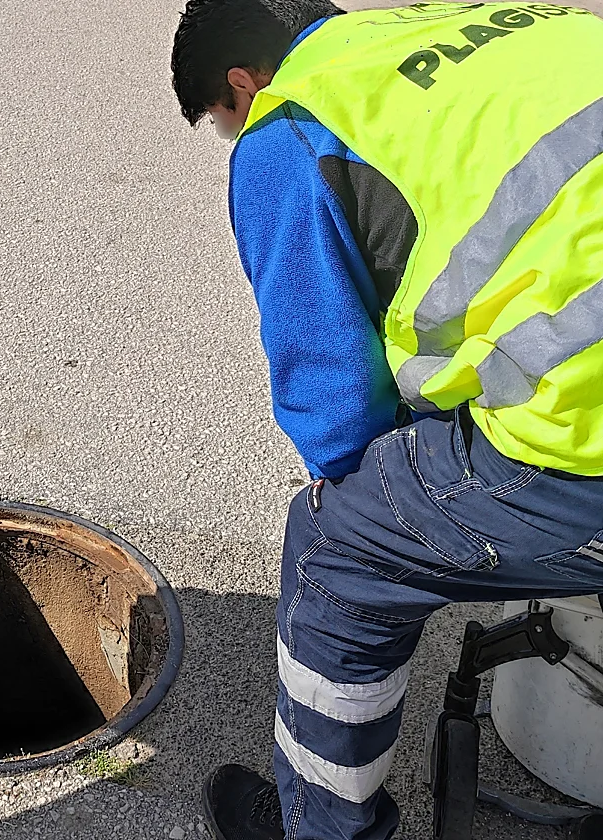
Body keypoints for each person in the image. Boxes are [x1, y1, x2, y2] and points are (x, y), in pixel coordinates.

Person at [170, 0, 603, 837]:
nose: (236, 141)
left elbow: (335, 415)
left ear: (241, 84)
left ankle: (322, 828)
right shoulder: (493, 23)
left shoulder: (289, 129)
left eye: (226, 125)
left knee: (339, 546)